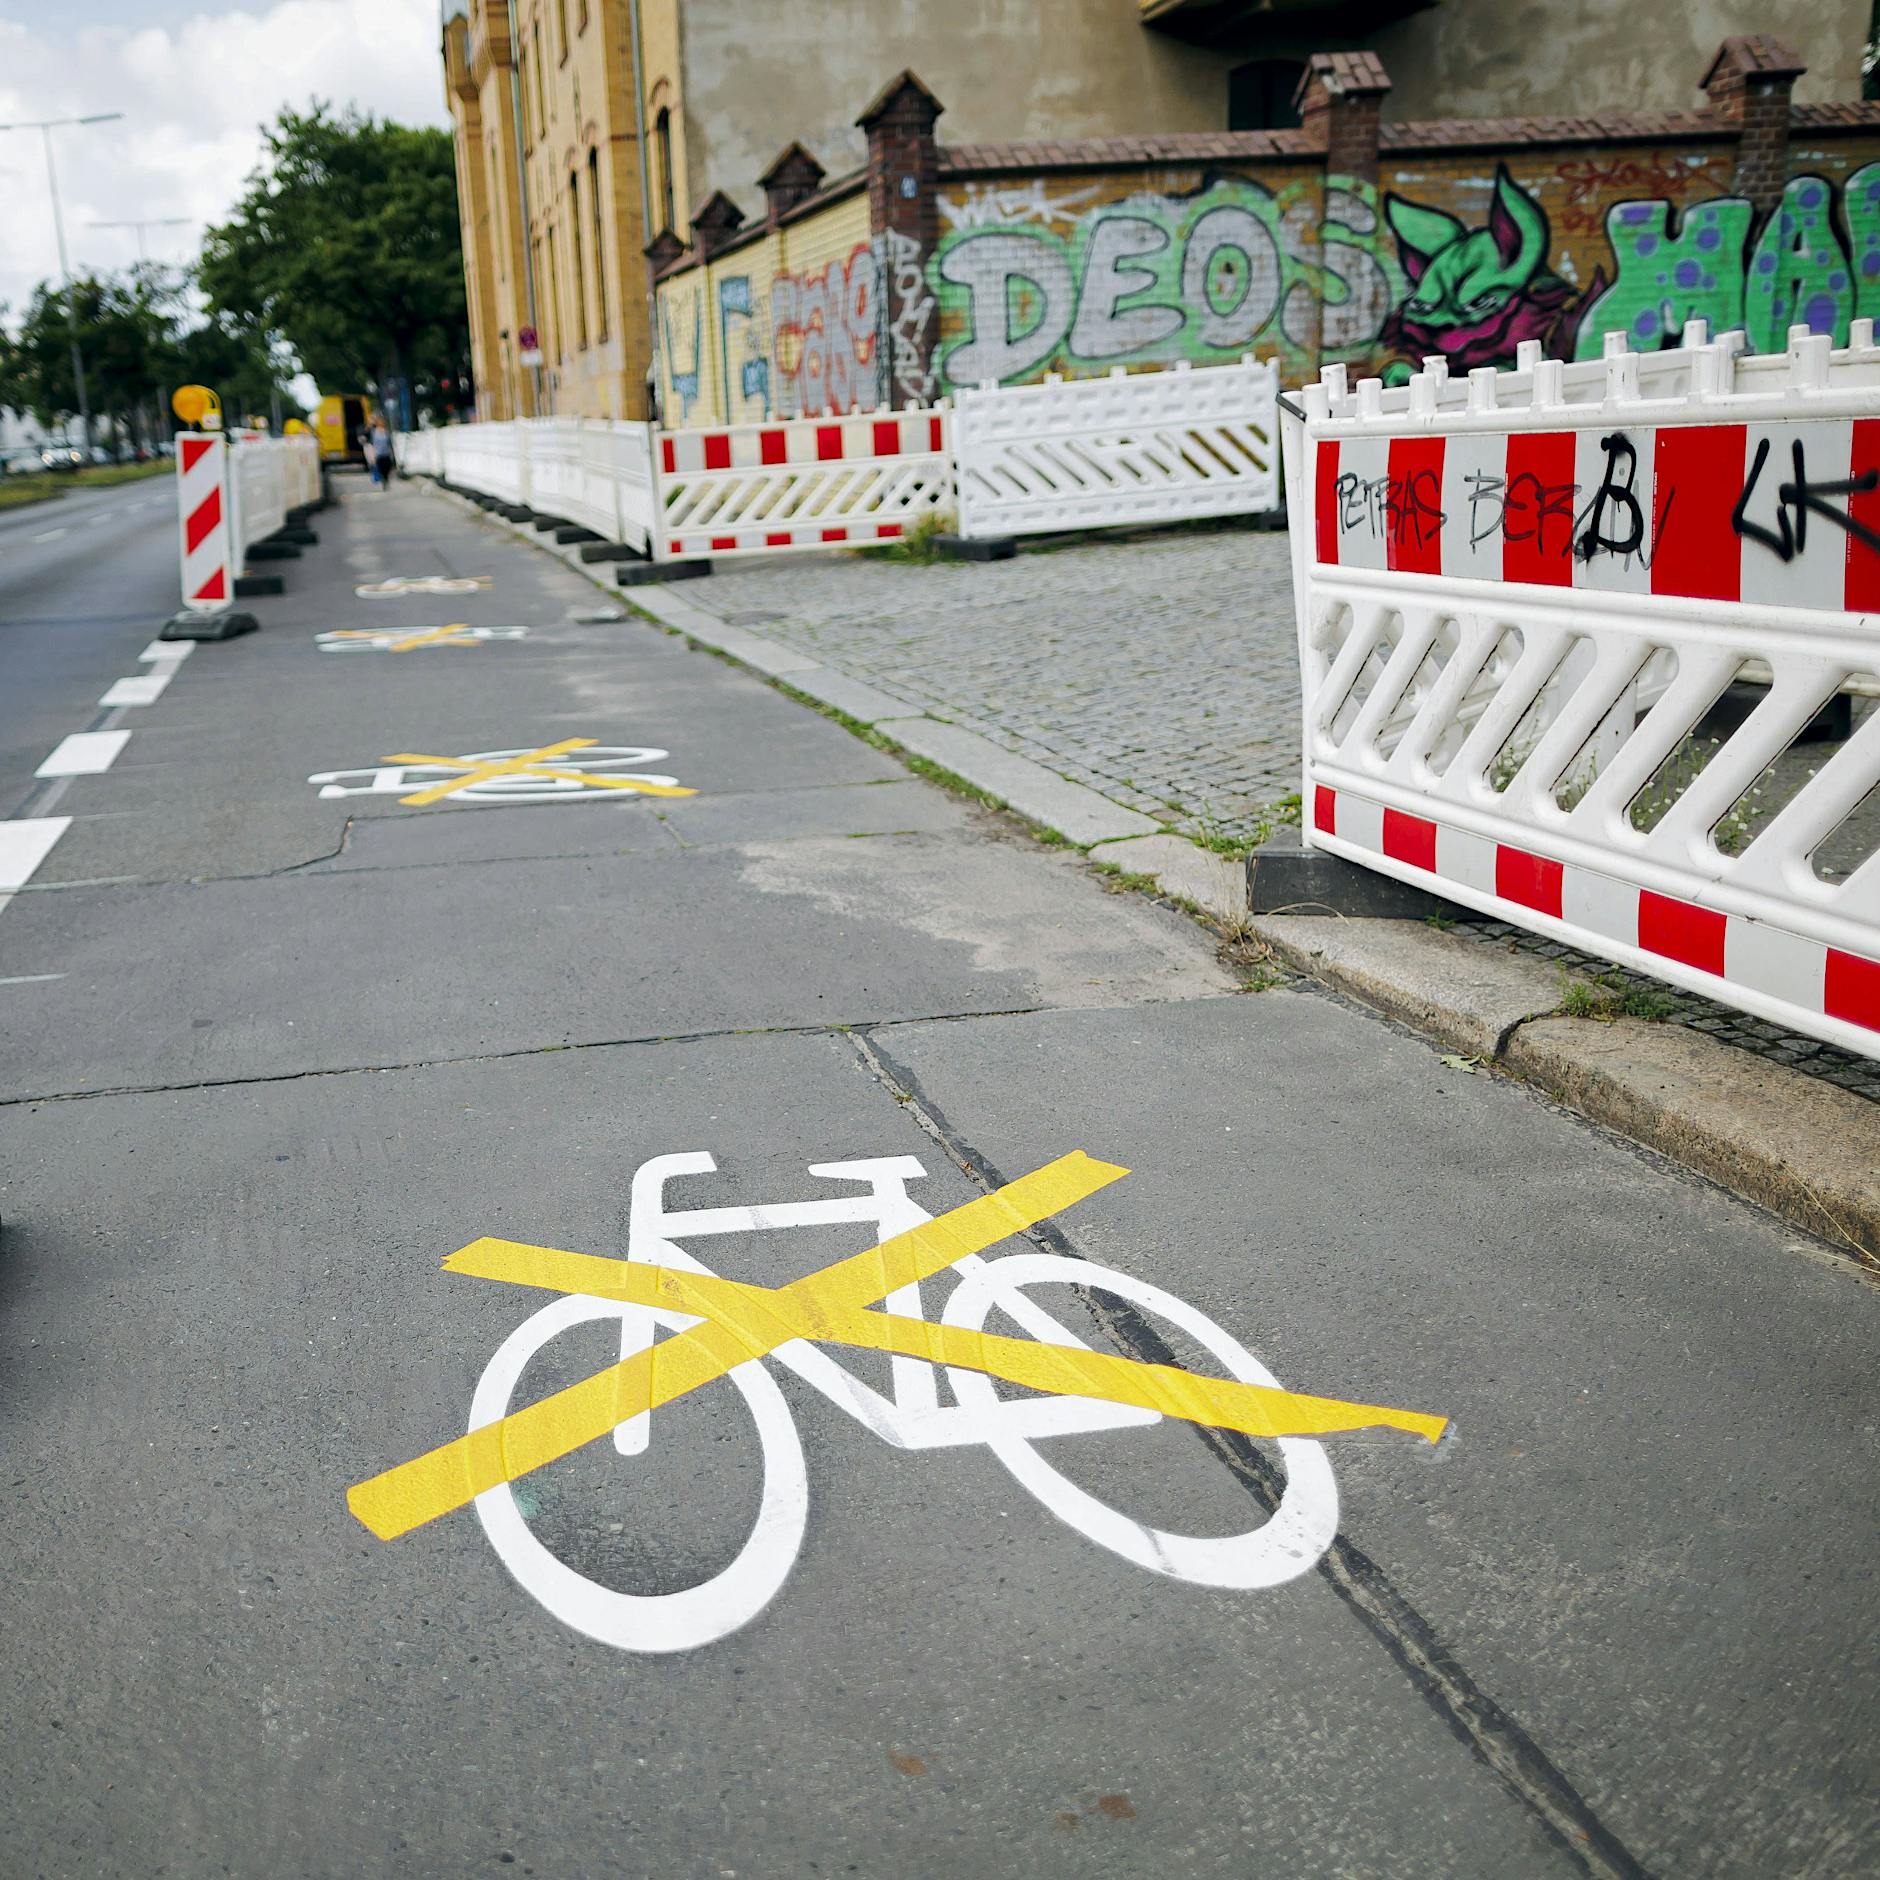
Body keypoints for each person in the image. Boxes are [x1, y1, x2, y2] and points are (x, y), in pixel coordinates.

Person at [369, 417, 394, 488]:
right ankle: (384, 481)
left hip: (386, 453)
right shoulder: (374, 432)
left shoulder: (386, 432)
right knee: (380, 468)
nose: (381, 424)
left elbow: (390, 442)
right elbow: (373, 443)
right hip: (378, 454)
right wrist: (372, 454)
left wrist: (392, 451)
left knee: (387, 468)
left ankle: (386, 479)